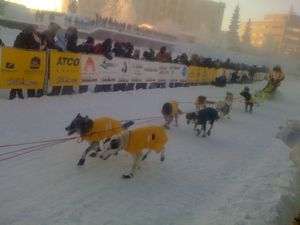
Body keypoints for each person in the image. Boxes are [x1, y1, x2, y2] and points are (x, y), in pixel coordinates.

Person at [10, 25, 42, 100]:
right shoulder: (30, 36)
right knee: (29, 75)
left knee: (18, 75)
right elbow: (34, 46)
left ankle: (14, 93)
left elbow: (15, 45)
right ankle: (30, 93)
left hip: (18, 59)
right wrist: (38, 44)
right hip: (27, 60)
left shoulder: (20, 35)